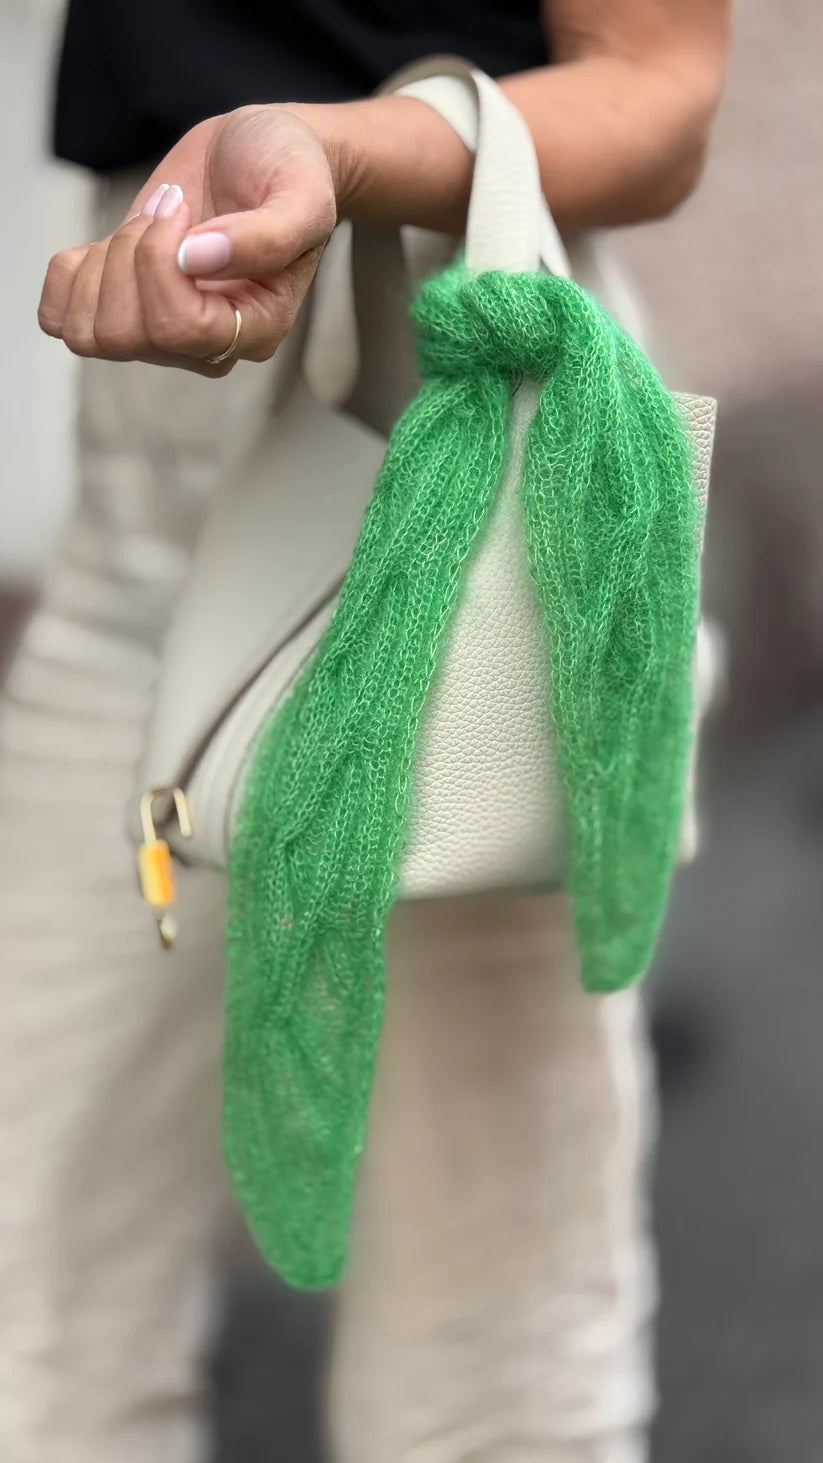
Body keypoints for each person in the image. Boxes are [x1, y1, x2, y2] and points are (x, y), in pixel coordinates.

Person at [1, 2, 728, 1460]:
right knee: (31, 1309)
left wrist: (343, 153)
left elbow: (660, 95)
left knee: (488, 1358)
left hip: (470, 413)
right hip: (145, 460)